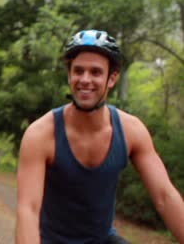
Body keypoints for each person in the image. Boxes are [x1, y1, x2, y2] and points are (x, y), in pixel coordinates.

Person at [16, 29, 184, 244]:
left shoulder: (131, 130)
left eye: (95, 72)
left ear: (111, 78)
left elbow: (164, 196)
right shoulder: (41, 135)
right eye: (78, 71)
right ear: (69, 75)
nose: (85, 80)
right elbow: (28, 209)